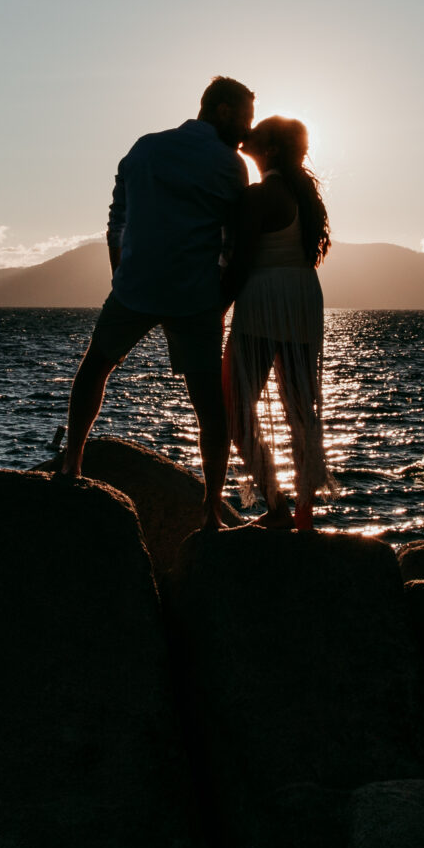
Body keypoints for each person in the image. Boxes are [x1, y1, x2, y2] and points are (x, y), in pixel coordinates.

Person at [56, 76, 255, 525]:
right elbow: (235, 241)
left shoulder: (145, 147)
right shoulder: (230, 163)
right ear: (222, 111)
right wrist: (222, 297)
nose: (247, 130)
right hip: (195, 296)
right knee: (210, 406)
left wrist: (119, 271)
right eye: (245, 118)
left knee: (94, 369)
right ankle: (210, 508)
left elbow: (117, 216)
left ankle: (73, 463)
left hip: (135, 287)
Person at [222, 115, 330, 532]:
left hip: (266, 297)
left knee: (233, 406)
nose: (245, 135)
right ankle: (304, 515)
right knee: (301, 409)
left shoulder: (263, 194)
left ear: (267, 150)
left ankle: (277, 506)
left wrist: (214, 309)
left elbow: (241, 262)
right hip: (304, 296)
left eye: (256, 133)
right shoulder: (302, 194)